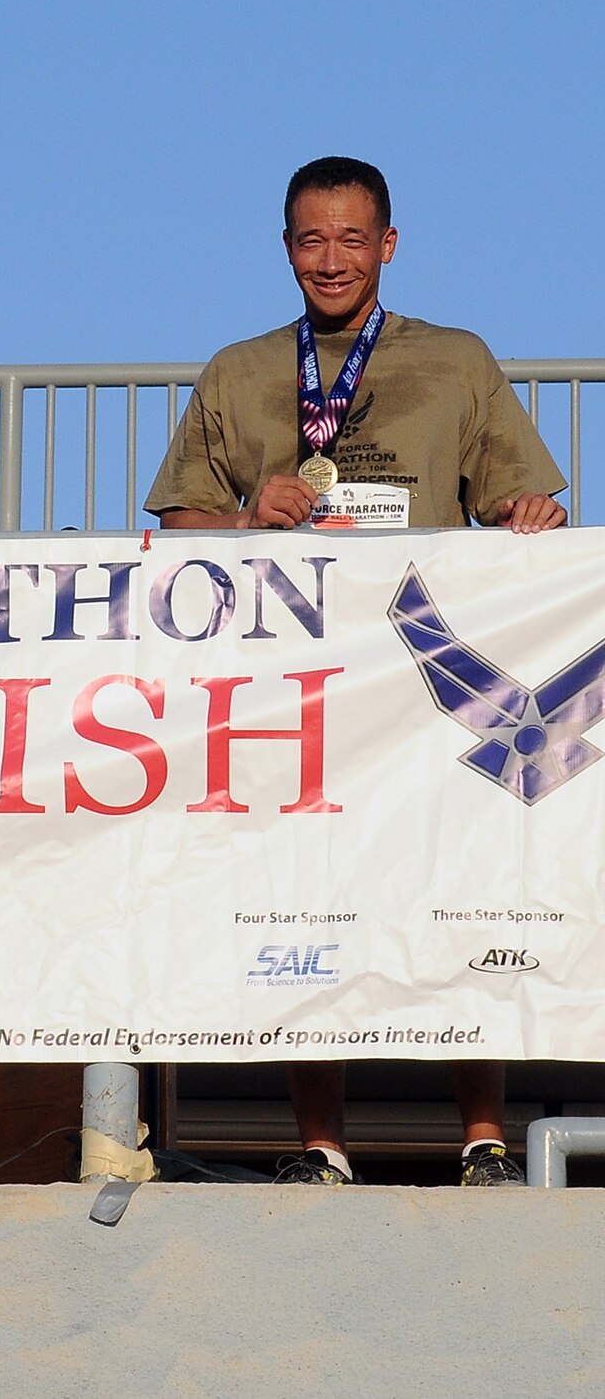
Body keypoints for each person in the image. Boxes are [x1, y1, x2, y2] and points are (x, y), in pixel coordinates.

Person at [144, 155, 570, 1187]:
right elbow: (173, 527)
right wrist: (248, 519)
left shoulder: (454, 360)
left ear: (386, 244)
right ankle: (320, 1148)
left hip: (427, 685)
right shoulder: (237, 371)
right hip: (295, 685)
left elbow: (524, 503)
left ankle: (479, 1139)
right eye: (307, 239)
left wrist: (525, 517)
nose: (328, 260)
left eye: (349, 239)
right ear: (283, 246)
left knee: (463, 896)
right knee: (306, 907)